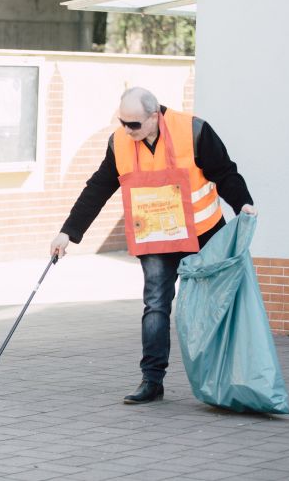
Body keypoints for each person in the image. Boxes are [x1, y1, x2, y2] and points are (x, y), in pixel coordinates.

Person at [50, 87, 255, 404]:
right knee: (156, 305)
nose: (128, 131)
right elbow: (99, 187)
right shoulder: (119, 142)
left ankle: (223, 375)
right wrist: (69, 231)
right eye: (123, 122)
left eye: (134, 124)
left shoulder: (194, 130)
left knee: (215, 304)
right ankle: (152, 380)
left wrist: (244, 204)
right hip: (158, 237)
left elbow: (225, 172)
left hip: (204, 233)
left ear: (155, 115)